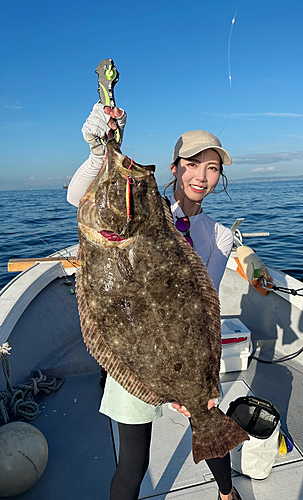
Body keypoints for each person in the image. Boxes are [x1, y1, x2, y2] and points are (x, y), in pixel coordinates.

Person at [67, 104, 243, 500]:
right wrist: (100, 152)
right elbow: (79, 196)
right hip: (131, 345)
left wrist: (199, 380)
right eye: (192, 163)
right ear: (175, 168)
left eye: (212, 167)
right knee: (133, 465)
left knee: (208, 420)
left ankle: (227, 494)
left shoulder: (218, 235)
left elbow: (204, 304)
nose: (201, 175)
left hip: (184, 353)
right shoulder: (144, 208)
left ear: (220, 177)